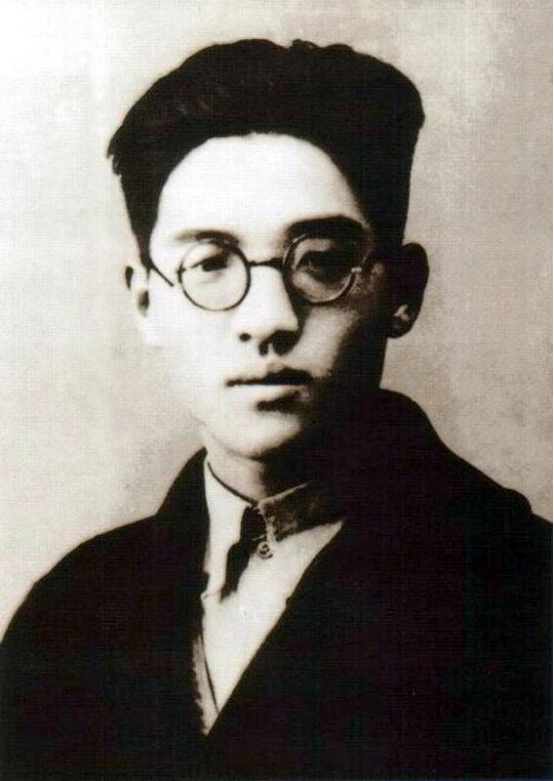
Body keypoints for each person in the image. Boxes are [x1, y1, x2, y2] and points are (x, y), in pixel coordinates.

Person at [1, 39, 551, 780]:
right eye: (210, 263)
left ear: (402, 291)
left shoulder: (526, 596)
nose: (268, 319)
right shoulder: (71, 615)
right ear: (146, 301)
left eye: (321, 261)